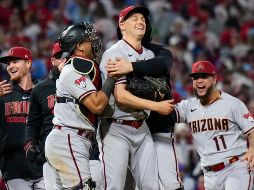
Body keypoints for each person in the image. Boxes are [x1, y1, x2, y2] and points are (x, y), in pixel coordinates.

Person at [98, 6, 175, 190]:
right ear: (122, 25)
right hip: (116, 128)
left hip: (142, 127)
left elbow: (161, 89)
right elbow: (121, 96)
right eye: (134, 19)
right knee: (114, 187)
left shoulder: (149, 55)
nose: (141, 21)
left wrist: (157, 95)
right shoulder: (114, 53)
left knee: (151, 186)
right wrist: (156, 106)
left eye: (143, 19)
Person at [44, 22, 116, 190]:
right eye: (88, 39)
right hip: (69, 139)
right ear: (79, 46)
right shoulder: (72, 70)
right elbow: (97, 105)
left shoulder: (78, 69)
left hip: (70, 139)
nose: (94, 42)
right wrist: (113, 77)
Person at [175, 60, 254, 190]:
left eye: (204, 77)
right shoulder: (188, 106)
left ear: (214, 79)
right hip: (209, 175)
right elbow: (166, 113)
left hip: (235, 167)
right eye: (195, 78)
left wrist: (252, 149)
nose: (199, 80)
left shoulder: (233, 104)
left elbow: (252, 130)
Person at [0, 47, 45, 190]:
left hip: (42, 166)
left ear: (28, 63)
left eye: (15, 61)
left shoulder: (42, 91)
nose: (10, 67)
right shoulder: (3, 92)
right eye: (8, 64)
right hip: (14, 168)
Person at [24, 42, 66, 190]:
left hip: (79, 151)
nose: (64, 60)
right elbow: (33, 123)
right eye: (60, 57)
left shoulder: (82, 84)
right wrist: (31, 143)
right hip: (50, 155)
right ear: (52, 60)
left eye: (67, 56)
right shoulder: (41, 89)